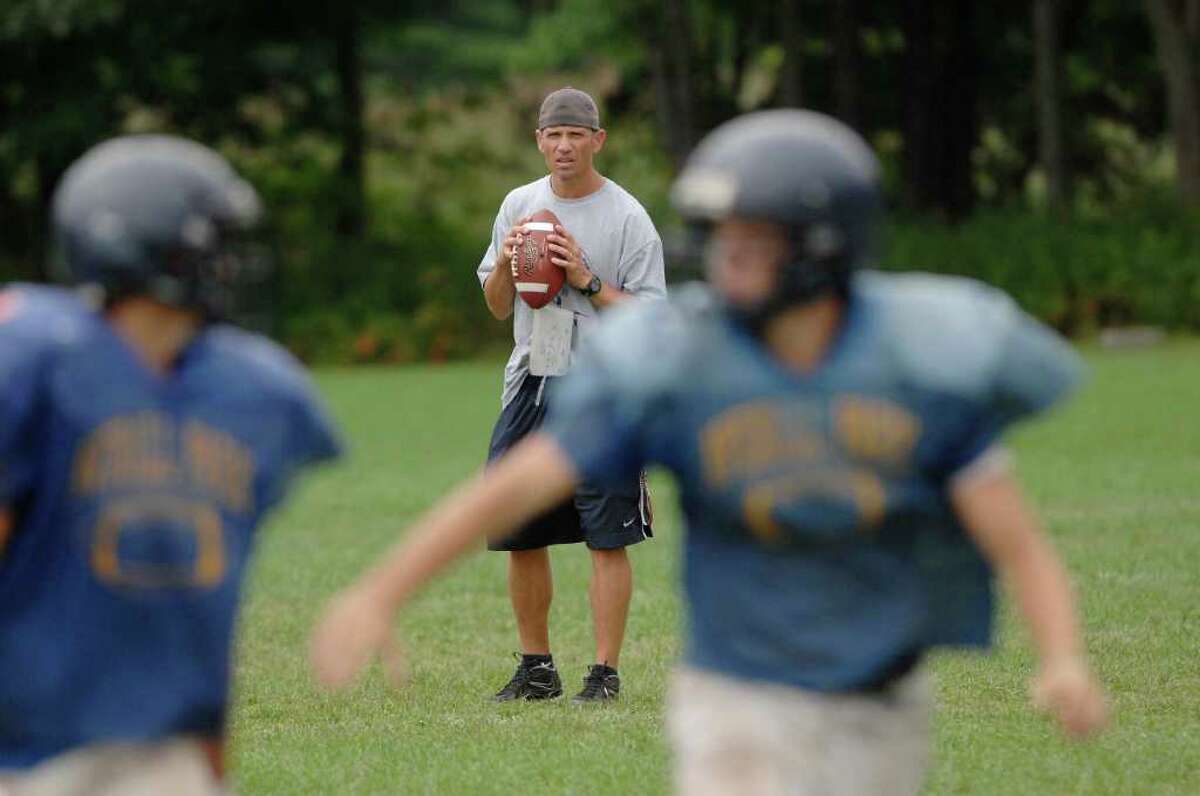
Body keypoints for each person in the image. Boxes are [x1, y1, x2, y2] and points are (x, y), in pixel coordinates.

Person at [311, 109, 1108, 794]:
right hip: (733, 694)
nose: (726, 259)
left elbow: (1015, 535)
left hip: (880, 702)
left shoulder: (916, 362)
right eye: (721, 240)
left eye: (750, 241)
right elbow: (523, 482)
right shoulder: (690, 361)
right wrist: (382, 590)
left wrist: (1063, 655)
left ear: (822, 244)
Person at [0, 136, 342, 795]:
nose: (228, 263)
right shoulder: (35, 357)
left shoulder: (251, 389)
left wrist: (210, 750)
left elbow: (203, 605)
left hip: (162, 750)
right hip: (26, 752)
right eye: (211, 245)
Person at [474, 87, 666, 703]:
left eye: (576, 135)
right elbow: (498, 305)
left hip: (605, 388)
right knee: (518, 527)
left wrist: (586, 278)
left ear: (597, 140)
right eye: (553, 135)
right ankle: (537, 669)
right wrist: (508, 263)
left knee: (606, 536)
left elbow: (653, 321)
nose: (564, 146)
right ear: (539, 141)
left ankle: (604, 675)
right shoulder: (518, 204)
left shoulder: (627, 217)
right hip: (531, 383)